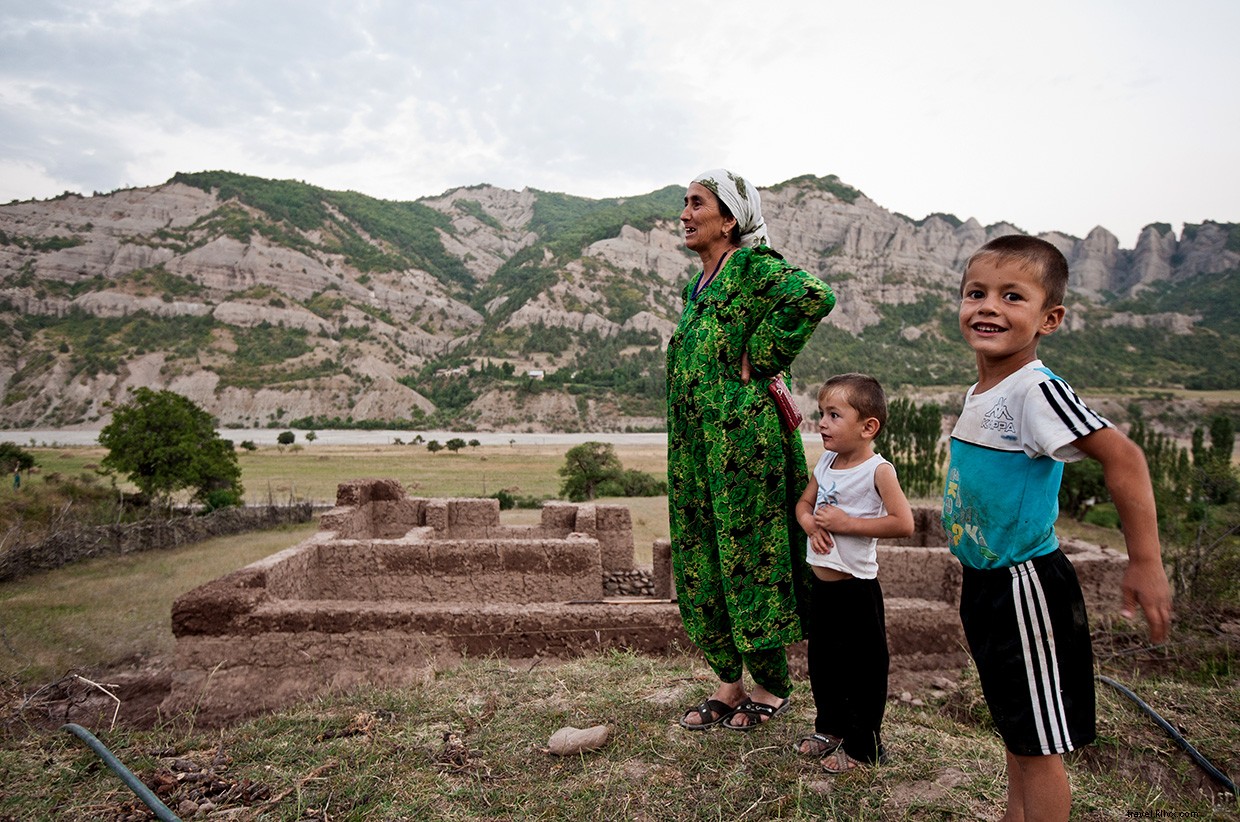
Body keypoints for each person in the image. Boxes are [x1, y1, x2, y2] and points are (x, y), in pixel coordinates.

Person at [942, 235, 1172, 821]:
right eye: (977, 293)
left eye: (1012, 296)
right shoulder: (982, 389)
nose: (988, 306)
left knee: (1040, 749)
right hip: (986, 584)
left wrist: (1144, 561)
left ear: (1050, 318)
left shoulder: (1037, 389)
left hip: (1026, 587)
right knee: (1018, 733)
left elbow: (1124, 458)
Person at [667, 168, 835, 731]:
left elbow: (814, 295)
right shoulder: (700, 284)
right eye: (685, 203)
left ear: (730, 218)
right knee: (702, 556)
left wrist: (762, 357)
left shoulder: (753, 268)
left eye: (697, 204)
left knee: (751, 556)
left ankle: (770, 686)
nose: (685, 213)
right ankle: (728, 682)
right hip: (696, 448)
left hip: (744, 447)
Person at [793, 373, 914, 772]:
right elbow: (804, 505)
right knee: (824, 663)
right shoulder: (826, 461)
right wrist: (811, 524)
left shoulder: (878, 471)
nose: (822, 423)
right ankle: (830, 728)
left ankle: (864, 747)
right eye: (821, 413)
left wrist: (846, 524)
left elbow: (903, 523)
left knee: (864, 669)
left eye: (833, 415)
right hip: (823, 588)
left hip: (856, 589)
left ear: (868, 427)